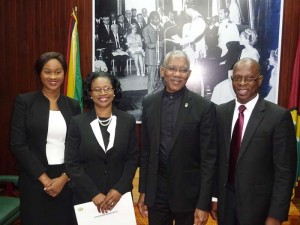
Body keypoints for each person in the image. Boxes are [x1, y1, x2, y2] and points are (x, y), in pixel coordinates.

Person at [210, 58, 297, 225]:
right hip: (226, 203)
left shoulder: (278, 117)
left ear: (260, 80)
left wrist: (276, 215)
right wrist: (215, 197)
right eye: (237, 78)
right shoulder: (220, 113)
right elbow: (216, 160)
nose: (242, 83)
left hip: (260, 208)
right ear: (232, 80)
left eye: (249, 78)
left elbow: (285, 172)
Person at [138, 50, 218, 225]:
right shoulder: (149, 103)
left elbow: (208, 160)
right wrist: (144, 191)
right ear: (162, 71)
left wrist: (203, 203)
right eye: (172, 69)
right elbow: (146, 151)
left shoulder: (203, 107)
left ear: (188, 74)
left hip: (189, 196)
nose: (177, 74)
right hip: (157, 194)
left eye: (183, 70)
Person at [10, 52, 81, 225]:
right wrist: (45, 180)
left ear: (64, 73)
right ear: (39, 74)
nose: (53, 76)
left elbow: (79, 146)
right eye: (47, 71)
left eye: (58, 71)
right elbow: (18, 144)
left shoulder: (72, 105)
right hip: (35, 179)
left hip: (66, 179)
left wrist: (64, 178)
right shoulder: (24, 102)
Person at [65, 71, 138, 214]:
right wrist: (94, 194)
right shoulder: (77, 122)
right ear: (90, 94)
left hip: (119, 198)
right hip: (86, 198)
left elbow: (132, 159)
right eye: (97, 89)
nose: (102, 93)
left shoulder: (128, 120)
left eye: (107, 88)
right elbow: (72, 163)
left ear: (114, 91)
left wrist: (119, 189)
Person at [143, 11, 164, 94]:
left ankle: (158, 96)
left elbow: (162, 40)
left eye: (158, 18)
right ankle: (150, 97)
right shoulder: (146, 30)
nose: (158, 20)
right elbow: (148, 45)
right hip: (152, 58)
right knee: (151, 79)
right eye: (156, 18)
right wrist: (160, 43)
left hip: (160, 56)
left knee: (160, 79)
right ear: (151, 19)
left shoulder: (160, 28)